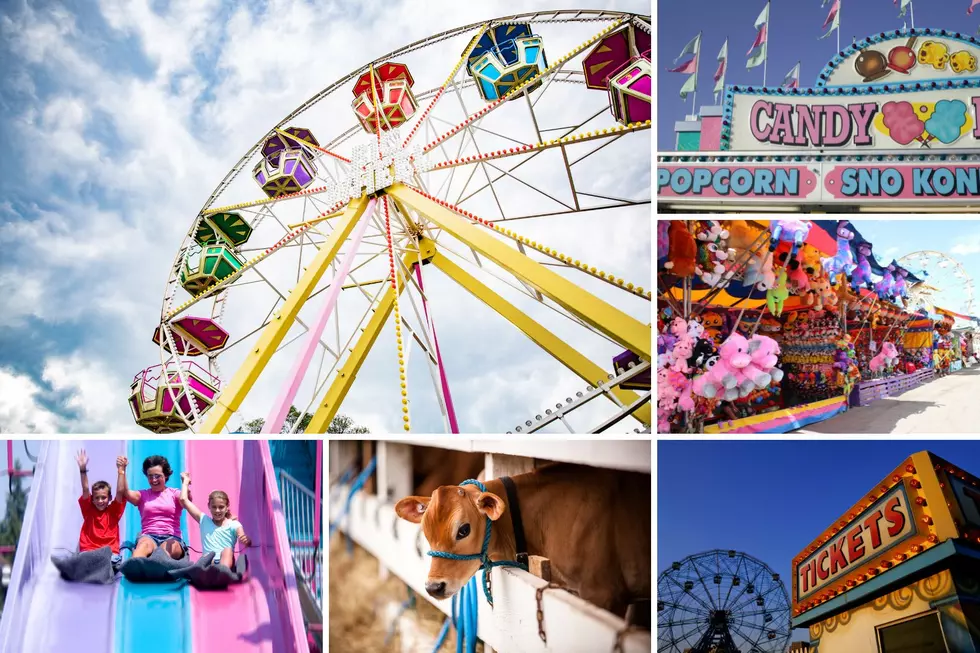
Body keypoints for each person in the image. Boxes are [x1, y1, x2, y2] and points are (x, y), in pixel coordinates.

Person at [119, 455, 187, 560]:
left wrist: (185, 483)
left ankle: (160, 564)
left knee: (169, 548)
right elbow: (124, 492)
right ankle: (134, 565)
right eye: (150, 476)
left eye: (157, 476)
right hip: (149, 536)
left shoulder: (175, 493)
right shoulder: (143, 495)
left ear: (166, 475)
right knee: (143, 545)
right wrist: (122, 470)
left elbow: (185, 499)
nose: (154, 480)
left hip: (172, 537)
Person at [179, 472, 251, 568]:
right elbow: (184, 500)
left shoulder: (234, 524)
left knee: (227, 550)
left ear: (227, 507)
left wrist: (246, 540)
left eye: (221, 507)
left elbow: (243, 537)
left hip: (226, 562)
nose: (217, 510)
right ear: (209, 506)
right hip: (209, 562)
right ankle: (207, 572)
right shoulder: (204, 520)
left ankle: (222, 571)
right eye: (214, 507)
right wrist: (185, 482)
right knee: (207, 557)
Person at [76, 450, 127, 569]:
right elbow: (85, 489)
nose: (100, 501)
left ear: (109, 497)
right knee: (85, 559)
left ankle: (104, 567)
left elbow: (120, 491)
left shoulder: (114, 511)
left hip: (109, 552)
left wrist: (121, 470)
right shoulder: (88, 510)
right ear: (92, 499)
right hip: (89, 550)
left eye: (103, 497)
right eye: (96, 498)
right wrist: (83, 470)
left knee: (113, 560)